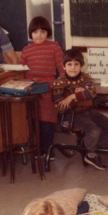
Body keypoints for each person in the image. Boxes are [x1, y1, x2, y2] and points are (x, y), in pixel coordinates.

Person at [52, 48, 108, 170]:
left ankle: (97, 151)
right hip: (73, 115)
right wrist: (81, 97)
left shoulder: (85, 77)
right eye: (69, 64)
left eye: (76, 64)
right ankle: (91, 154)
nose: (73, 67)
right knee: (94, 131)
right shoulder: (59, 82)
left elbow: (92, 92)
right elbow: (59, 107)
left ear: (81, 65)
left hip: (89, 111)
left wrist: (72, 96)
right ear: (63, 66)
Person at [20, 16, 64, 156]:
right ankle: (39, 149)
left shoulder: (54, 46)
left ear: (48, 32)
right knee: (33, 120)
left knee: (46, 121)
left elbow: (62, 70)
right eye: (35, 32)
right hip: (31, 89)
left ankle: (48, 151)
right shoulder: (26, 50)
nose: (39, 35)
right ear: (30, 33)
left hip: (48, 89)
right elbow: (22, 72)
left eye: (43, 31)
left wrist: (59, 86)